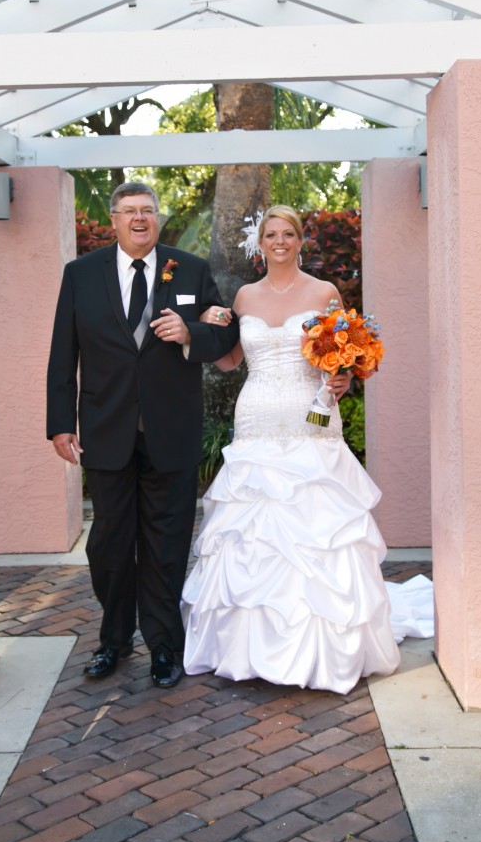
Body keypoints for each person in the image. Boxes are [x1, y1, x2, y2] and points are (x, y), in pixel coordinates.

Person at [182, 205, 433, 694]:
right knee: (252, 531)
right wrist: (206, 324)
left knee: (316, 529)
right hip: (256, 420)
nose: (279, 241)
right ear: (260, 243)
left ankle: (323, 645)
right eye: (271, 234)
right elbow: (233, 362)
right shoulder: (245, 296)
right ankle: (247, 647)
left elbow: (345, 354)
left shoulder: (324, 292)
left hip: (310, 418)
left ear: (301, 240)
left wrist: (342, 377)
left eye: (288, 234)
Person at [47, 182, 239, 689]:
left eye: (147, 211)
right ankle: (112, 641)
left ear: (158, 218)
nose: (139, 219)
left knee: (167, 544)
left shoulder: (190, 270)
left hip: (169, 432)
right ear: (113, 220)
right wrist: (60, 422)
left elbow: (225, 332)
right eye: (129, 211)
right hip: (106, 431)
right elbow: (63, 354)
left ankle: (163, 647)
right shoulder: (80, 275)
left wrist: (191, 334)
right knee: (108, 544)